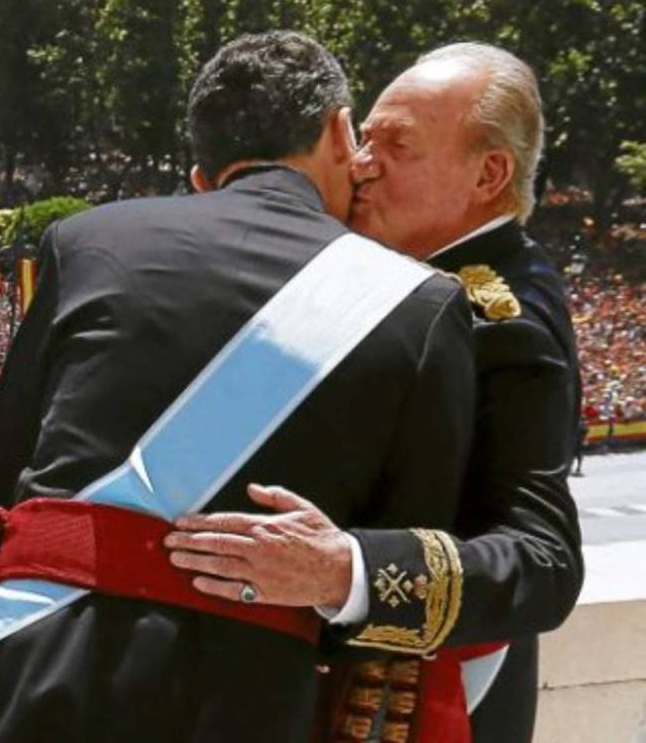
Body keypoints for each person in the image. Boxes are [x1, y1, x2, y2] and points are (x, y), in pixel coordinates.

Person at [0, 32, 477, 743]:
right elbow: (406, 560)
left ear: (202, 175)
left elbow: (3, 491)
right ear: (338, 130)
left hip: (35, 669)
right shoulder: (420, 305)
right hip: (242, 701)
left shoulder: (83, 242)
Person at [165, 43, 583, 743]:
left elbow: (543, 564)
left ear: (489, 174)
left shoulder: (500, 321)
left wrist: (347, 571)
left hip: (424, 704)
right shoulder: (382, 276)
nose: (362, 163)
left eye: (397, 146)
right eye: (364, 139)